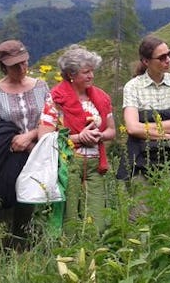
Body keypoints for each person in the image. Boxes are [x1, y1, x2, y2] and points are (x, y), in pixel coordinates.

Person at [0, 39, 49, 250]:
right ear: (3, 66)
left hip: (39, 152)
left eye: (24, 63)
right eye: (14, 65)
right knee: (8, 205)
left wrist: (31, 136)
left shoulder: (41, 86)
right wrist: (17, 141)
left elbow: (52, 117)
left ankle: (34, 247)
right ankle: (7, 250)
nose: (21, 68)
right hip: (9, 155)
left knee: (35, 204)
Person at [37, 44, 116, 234]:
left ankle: (94, 256)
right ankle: (69, 257)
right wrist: (79, 137)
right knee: (70, 218)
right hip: (69, 164)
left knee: (97, 217)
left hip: (96, 166)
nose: (91, 76)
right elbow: (45, 137)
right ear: (71, 74)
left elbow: (112, 131)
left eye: (92, 71)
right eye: (86, 72)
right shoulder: (56, 99)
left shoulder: (101, 98)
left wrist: (99, 135)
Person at [117, 36, 170, 183]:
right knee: (142, 204)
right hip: (140, 158)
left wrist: (145, 129)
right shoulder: (132, 86)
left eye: (169, 54)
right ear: (146, 61)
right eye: (162, 57)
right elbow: (131, 128)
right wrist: (167, 133)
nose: (168, 60)